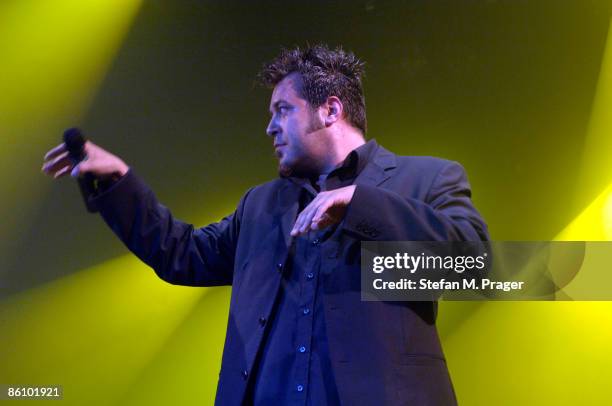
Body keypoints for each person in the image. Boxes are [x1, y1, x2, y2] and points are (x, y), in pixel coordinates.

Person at [42, 44, 489, 405]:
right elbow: (181, 256)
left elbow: (474, 268)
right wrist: (120, 182)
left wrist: (362, 204)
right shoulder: (262, 205)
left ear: (330, 110)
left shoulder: (425, 178)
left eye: (282, 110)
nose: (270, 127)